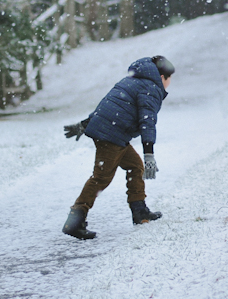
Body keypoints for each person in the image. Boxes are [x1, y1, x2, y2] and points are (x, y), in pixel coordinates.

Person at [61, 55, 174, 239]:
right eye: (169, 78)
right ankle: (74, 221)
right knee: (100, 178)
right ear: (162, 77)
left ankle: (140, 211)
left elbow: (107, 105)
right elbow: (147, 122)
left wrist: (84, 124)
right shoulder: (151, 88)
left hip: (112, 132)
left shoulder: (131, 81)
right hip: (112, 135)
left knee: (134, 166)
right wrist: (149, 154)